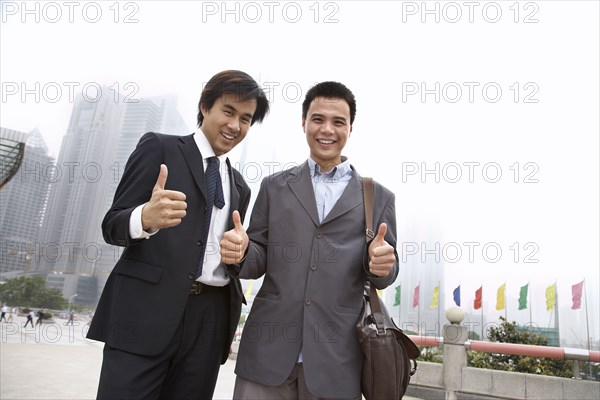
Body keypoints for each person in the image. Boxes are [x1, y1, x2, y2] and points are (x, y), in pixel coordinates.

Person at [87, 70, 269, 400]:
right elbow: (112, 225)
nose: (235, 126)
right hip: (145, 313)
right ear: (205, 107)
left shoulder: (240, 186)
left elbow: (229, 251)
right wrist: (144, 217)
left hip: (210, 320)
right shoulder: (160, 148)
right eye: (228, 111)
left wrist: (239, 253)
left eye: (245, 118)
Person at [220, 81, 399, 399]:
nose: (326, 129)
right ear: (303, 123)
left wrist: (384, 263)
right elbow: (257, 257)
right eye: (318, 119)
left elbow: (384, 272)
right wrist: (241, 252)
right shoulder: (274, 187)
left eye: (338, 122)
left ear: (350, 129)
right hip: (267, 351)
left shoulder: (378, 197)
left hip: (337, 361)